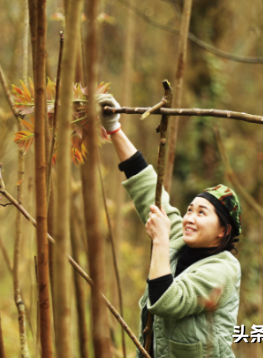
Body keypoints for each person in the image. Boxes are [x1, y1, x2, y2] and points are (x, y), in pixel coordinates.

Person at [97, 94, 242, 358]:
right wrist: (113, 128)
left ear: (223, 231)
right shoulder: (178, 240)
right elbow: (145, 187)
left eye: (202, 213)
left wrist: (160, 241)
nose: (189, 218)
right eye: (189, 210)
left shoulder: (224, 271)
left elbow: (168, 301)